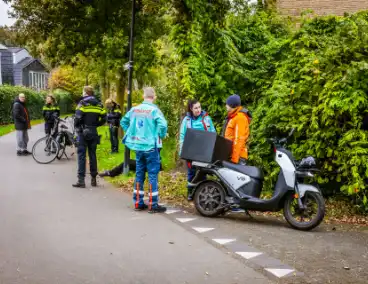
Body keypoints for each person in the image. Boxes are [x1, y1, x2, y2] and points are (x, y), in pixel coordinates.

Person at [121, 87, 168, 213]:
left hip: (138, 146)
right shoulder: (154, 110)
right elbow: (163, 125)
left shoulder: (134, 109)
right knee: (152, 174)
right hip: (151, 146)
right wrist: (160, 135)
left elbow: (123, 121)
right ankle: (153, 204)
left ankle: (138, 202)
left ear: (143, 96)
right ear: (154, 97)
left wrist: (131, 133)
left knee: (139, 173)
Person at [179, 99, 216, 200]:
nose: (198, 110)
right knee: (191, 172)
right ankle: (190, 193)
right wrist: (182, 151)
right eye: (196, 108)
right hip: (191, 150)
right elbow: (182, 136)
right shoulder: (186, 120)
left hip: (204, 150)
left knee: (203, 172)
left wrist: (213, 149)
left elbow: (213, 133)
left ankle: (203, 194)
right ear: (191, 109)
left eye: (199, 107)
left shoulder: (207, 118)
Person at [72, 86, 107, 188]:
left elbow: (77, 118)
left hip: (83, 132)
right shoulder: (99, 104)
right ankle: (93, 179)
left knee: (82, 155)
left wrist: (77, 128)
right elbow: (104, 118)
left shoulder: (82, 103)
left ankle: (81, 180)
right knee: (92, 155)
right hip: (93, 132)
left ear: (85, 93)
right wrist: (96, 124)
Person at [221, 94, 251, 165]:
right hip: (232, 155)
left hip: (238, 158)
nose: (226, 106)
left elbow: (239, 140)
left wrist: (234, 160)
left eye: (227, 104)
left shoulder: (240, 118)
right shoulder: (233, 116)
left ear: (232, 105)